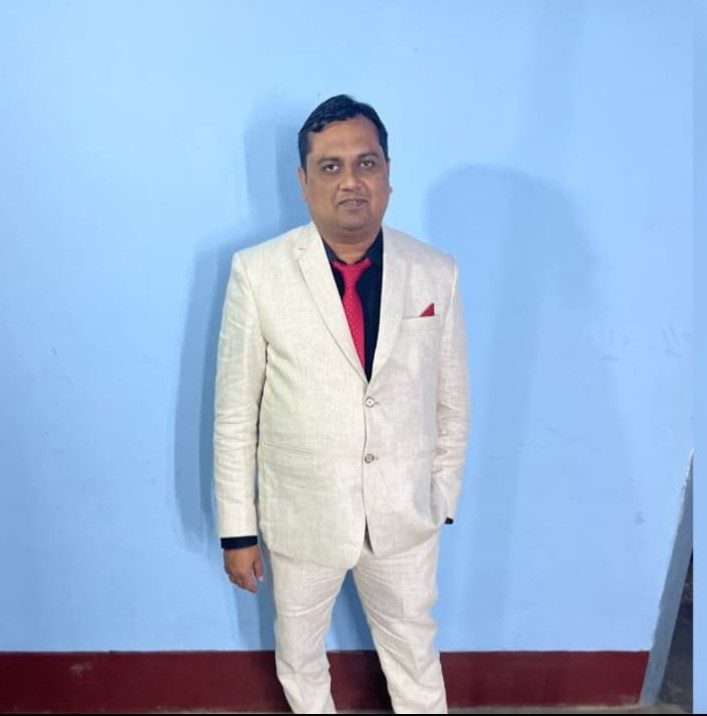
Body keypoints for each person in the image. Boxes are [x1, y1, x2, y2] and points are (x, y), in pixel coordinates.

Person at [213, 94, 469, 714]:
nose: (351, 181)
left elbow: (452, 399)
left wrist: (441, 497)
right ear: (304, 181)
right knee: (301, 658)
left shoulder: (436, 272)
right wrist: (238, 530)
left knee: (415, 655)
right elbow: (235, 413)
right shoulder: (259, 273)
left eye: (366, 163)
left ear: (388, 173)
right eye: (330, 166)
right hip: (301, 515)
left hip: (404, 515)